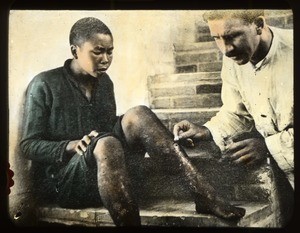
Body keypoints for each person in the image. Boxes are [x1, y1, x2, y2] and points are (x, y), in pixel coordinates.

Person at [20, 17, 246, 227]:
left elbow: (107, 129)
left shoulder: (104, 82)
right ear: (74, 51)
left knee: (138, 113)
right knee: (107, 143)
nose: (106, 59)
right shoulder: (45, 84)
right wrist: (71, 145)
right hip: (65, 182)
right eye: (98, 52)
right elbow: (28, 145)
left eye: (110, 52)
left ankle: (203, 194)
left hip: (104, 172)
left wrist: (166, 141)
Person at [173, 10, 294, 226]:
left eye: (232, 36)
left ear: (258, 25)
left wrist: (267, 146)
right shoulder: (234, 59)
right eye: (216, 38)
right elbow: (236, 112)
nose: (226, 49)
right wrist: (207, 130)